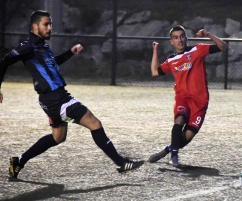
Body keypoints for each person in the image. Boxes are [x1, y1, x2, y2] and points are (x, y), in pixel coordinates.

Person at [0, 10, 144, 178]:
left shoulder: (42, 46)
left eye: (50, 24)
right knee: (94, 123)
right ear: (34, 26)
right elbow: (5, 62)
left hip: (52, 100)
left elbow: (53, 64)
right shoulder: (27, 46)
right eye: (46, 24)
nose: (50, 27)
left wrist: (70, 52)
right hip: (57, 99)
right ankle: (120, 163)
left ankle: (19, 161)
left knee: (58, 137)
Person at [149, 25, 228, 166]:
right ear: (171, 42)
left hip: (200, 102)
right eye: (175, 38)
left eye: (181, 36)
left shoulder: (197, 49)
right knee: (179, 119)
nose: (179, 40)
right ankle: (174, 156)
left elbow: (223, 47)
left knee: (186, 137)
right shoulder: (171, 60)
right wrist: (155, 51)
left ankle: (169, 148)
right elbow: (155, 72)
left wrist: (208, 34)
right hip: (183, 98)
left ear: (186, 37)